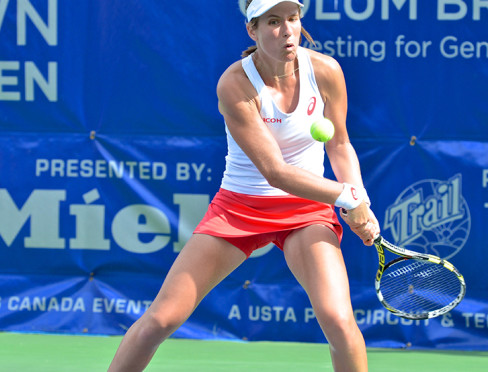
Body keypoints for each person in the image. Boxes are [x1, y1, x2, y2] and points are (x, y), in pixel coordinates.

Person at [108, 1, 380, 371]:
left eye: (292, 19)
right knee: (162, 319)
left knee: (338, 320)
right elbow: (275, 172)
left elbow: (340, 143)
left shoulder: (326, 71)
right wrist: (345, 196)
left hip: (306, 209)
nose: (287, 30)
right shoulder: (235, 83)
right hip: (240, 207)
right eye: (272, 21)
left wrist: (358, 198)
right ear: (251, 30)